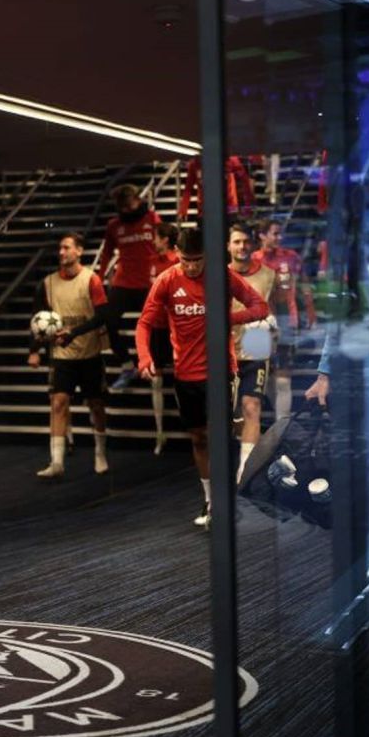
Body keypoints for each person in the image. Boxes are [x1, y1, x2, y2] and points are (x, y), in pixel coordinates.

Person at [135, 227, 268, 528]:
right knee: (198, 438)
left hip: (220, 371)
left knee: (219, 437)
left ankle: (225, 502)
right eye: (186, 260)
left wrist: (228, 319)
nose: (192, 266)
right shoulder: (167, 280)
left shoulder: (222, 277)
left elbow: (261, 307)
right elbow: (144, 323)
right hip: (185, 373)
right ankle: (210, 500)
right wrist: (144, 357)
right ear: (177, 254)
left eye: (197, 260)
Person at [27, 232, 110, 478]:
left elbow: (103, 316)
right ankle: (57, 462)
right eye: (60, 248)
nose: (61, 252)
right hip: (62, 355)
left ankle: (100, 452)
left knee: (96, 405)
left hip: (89, 353)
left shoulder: (91, 279)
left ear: (79, 251)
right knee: (58, 403)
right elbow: (37, 319)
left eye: (66, 247)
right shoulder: (48, 283)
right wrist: (34, 350)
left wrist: (74, 332)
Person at [96, 184, 161, 390]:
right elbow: (106, 253)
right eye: (122, 206)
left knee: (156, 325)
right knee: (107, 322)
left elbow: (165, 245)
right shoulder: (114, 225)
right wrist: (98, 278)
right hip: (123, 283)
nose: (126, 209)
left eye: (129, 205)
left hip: (148, 283)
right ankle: (127, 366)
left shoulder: (152, 219)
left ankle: (152, 364)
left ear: (137, 200)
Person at [227, 222, 278, 483]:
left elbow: (274, 308)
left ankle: (244, 471)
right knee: (228, 413)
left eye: (246, 241)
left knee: (252, 406)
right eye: (237, 241)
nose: (242, 246)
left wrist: (273, 326)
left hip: (256, 343)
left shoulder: (269, 275)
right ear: (228, 245)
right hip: (225, 347)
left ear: (253, 244)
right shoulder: (218, 275)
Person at [253, 218, 315, 423]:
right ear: (262, 235)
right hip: (259, 326)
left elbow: (305, 286)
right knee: (264, 378)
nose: (279, 237)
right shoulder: (253, 260)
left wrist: (310, 312)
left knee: (283, 379)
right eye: (275, 233)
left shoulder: (291, 257)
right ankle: (278, 421)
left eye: (280, 233)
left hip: (287, 323)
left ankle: (282, 427)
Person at [149, 221, 180, 453]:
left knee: (184, 378)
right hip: (157, 327)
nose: (153, 241)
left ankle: (194, 426)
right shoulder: (152, 261)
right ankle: (160, 433)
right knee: (156, 380)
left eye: (157, 237)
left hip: (177, 327)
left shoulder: (178, 261)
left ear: (165, 239)